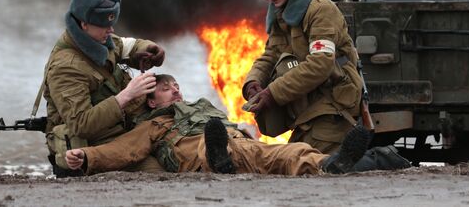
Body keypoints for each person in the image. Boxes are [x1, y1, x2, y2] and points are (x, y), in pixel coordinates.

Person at [65, 74, 373, 176]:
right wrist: (87, 157)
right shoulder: (154, 125)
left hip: (237, 145)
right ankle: (218, 159)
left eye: (176, 85)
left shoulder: (201, 107)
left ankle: (332, 164)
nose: (175, 89)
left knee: (289, 152)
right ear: (151, 101)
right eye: (166, 87)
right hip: (198, 156)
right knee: (208, 144)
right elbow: (122, 151)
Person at [242, 0, 365, 154]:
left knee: (308, 165)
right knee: (288, 161)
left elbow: (320, 64)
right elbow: (271, 54)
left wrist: (273, 94)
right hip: (305, 112)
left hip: (332, 109)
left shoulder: (320, 10)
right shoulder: (281, 12)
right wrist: (253, 83)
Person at [43, 0, 166, 176]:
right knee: (160, 171)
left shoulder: (98, 39)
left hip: (125, 131)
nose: (111, 29)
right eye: (104, 25)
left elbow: (124, 45)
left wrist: (150, 48)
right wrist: (126, 95)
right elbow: (80, 124)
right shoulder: (66, 67)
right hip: (93, 147)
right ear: (84, 24)